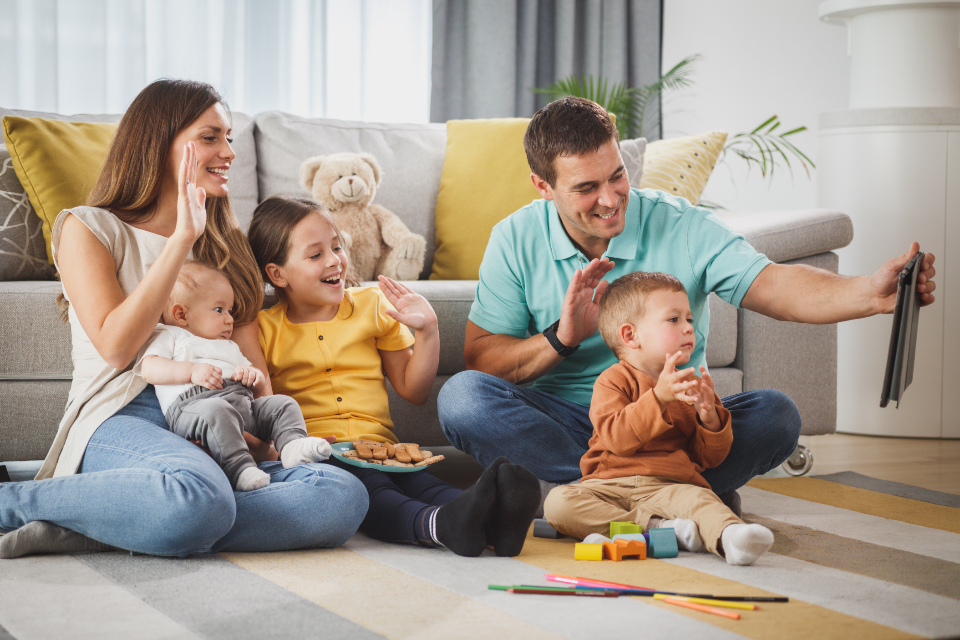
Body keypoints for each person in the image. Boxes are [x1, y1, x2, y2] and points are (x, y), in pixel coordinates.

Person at [438, 96, 937, 515]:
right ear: (543, 186)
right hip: (570, 426)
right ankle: (674, 494)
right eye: (586, 188)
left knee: (777, 415)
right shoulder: (516, 238)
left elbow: (774, 285)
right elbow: (484, 361)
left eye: (616, 176)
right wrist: (561, 338)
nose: (610, 200)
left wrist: (867, 293)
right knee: (462, 399)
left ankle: (602, 498)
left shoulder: (679, 223)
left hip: (674, 427)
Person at [0, 79, 367, 560]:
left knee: (340, 496)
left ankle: (99, 525)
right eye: (211, 136)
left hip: (220, 412)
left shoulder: (224, 241)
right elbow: (117, 346)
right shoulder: (88, 227)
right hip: (121, 414)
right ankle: (15, 503)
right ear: (158, 142)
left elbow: (247, 356)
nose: (229, 152)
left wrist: (264, 437)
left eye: (230, 137)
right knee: (200, 498)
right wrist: (179, 240)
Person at [247, 195, 541, 558]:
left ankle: (496, 522)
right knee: (378, 495)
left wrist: (428, 330)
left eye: (337, 246)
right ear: (277, 274)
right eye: (315, 254)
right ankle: (441, 526)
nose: (335, 260)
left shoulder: (372, 305)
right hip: (321, 453)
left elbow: (414, 390)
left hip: (383, 448)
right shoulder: (264, 329)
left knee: (425, 483)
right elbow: (262, 410)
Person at [544, 272, 774, 566]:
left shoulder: (690, 384)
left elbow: (709, 459)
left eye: (689, 319)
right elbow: (617, 438)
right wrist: (660, 397)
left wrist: (710, 419)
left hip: (669, 485)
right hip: (608, 484)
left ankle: (731, 538)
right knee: (559, 504)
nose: (689, 328)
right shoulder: (612, 381)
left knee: (702, 501)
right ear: (630, 336)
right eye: (674, 319)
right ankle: (659, 529)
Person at [137, 260, 335, 491]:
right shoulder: (170, 336)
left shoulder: (228, 346)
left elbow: (258, 388)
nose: (230, 319)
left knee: (283, 403)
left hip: (244, 406)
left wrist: (254, 378)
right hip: (196, 406)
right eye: (219, 310)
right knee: (217, 411)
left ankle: (292, 446)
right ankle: (240, 469)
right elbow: (149, 369)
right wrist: (191, 371)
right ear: (181, 314)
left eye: (230, 311)